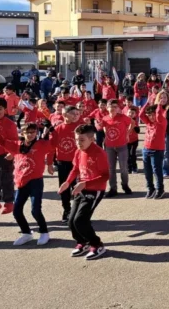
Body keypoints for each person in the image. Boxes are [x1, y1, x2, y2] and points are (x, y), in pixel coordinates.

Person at [59, 124, 110, 261]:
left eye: (81, 140)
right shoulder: (78, 152)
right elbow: (75, 169)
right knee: (71, 220)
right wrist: (67, 182)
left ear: (92, 139)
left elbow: (106, 176)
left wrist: (85, 183)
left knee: (81, 220)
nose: (78, 143)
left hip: (95, 190)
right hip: (81, 188)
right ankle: (82, 242)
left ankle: (97, 244)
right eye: (76, 139)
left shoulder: (99, 153)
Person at [8, 123, 53, 246]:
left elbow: (54, 144)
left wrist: (52, 131)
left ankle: (44, 232)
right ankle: (26, 233)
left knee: (35, 210)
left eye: (33, 132)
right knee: (16, 211)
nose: (30, 134)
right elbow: (2, 141)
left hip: (36, 181)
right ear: (22, 133)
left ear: (36, 133)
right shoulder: (17, 145)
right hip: (21, 182)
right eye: (27, 132)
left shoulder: (41, 144)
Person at [49, 105, 82, 223]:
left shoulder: (80, 128)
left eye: (77, 114)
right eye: (73, 113)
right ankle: (67, 210)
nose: (76, 116)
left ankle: (78, 211)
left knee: (79, 188)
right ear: (65, 115)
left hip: (78, 163)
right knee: (64, 188)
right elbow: (51, 147)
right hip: (62, 163)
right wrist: (49, 164)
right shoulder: (58, 129)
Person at [95, 99, 133, 197]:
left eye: (115, 107)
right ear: (107, 108)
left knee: (123, 168)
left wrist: (128, 133)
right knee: (111, 169)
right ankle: (113, 188)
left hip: (122, 146)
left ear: (118, 108)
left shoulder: (123, 117)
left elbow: (132, 123)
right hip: (109, 147)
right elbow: (99, 128)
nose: (112, 108)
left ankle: (125, 185)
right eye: (110, 106)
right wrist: (97, 125)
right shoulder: (105, 118)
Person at [139, 94, 168, 200]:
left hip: (157, 150)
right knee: (147, 171)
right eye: (149, 115)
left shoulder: (162, 122)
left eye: (152, 115)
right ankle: (150, 188)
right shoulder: (148, 123)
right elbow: (141, 115)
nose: (151, 117)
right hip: (146, 149)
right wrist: (147, 101)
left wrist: (159, 105)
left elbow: (159, 115)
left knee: (157, 171)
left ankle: (160, 189)